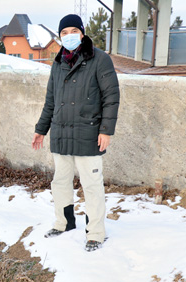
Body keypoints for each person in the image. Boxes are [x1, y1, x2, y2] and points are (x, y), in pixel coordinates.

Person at [32, 14, 120, 252]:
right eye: (64, 33)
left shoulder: (100, 60)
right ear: (59, 37)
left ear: (82, 33)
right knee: (60, 182)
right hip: (60, 133)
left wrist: (106, 131)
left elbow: (111, 97)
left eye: (73, 31)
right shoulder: (58, 63)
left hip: (88, 134)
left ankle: (96, 233)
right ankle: (64, 223)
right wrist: (41, 129)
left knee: (91, 185)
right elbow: (51, 99)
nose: (68, 36)